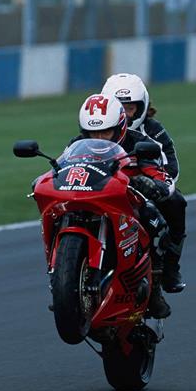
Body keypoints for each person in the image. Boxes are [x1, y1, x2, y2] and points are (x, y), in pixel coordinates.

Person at [72, 93, 175, 318]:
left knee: (157, 223)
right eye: (92, 133)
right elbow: (63, 166)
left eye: (105, 132)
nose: (99, 137)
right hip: (91, 199)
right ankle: (65, 282)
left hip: (128, 203)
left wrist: (153, 184)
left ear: (119, 128)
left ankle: (155, 288)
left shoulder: (141, 143)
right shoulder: (76, 144)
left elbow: (163, 179)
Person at [101, 73, 187, 294]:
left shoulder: (154, 131)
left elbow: (171, 168)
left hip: (142, 192)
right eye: (118, 106)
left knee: (176, 202)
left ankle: (168, 269)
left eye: (129, 108)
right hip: (103, 189)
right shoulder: (98, 131)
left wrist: (152, 185)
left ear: (141, 108)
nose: (123, 113)